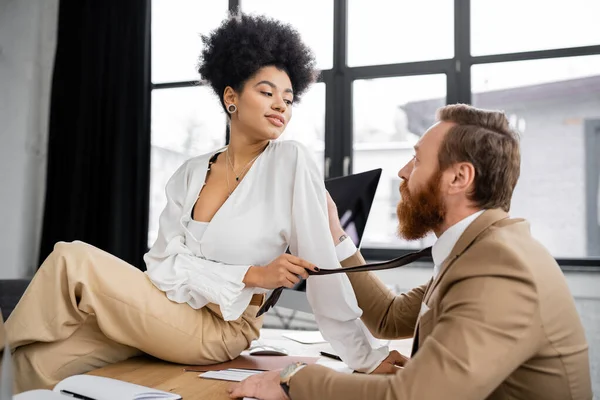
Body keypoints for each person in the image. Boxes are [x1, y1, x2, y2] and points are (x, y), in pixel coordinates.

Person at [5, 13, 397, 393]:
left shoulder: (290, 162)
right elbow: (160, 266)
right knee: (37, 361)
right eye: (266, 92)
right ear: (232, 97)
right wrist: (251, 275)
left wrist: (364, 355)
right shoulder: (190, 173)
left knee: (70, 258)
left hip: (221, 329)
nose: (281, 105)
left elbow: (323, 266)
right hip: (164, 309)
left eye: (289, 99)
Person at [228, 104, 593, 400]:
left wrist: (294, 380)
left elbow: (412, 397)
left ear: (458, 178)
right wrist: (336, 236)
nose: (403, 172)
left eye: (417, 160)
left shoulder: (501, 268)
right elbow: (390, 317)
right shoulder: (480, 251)